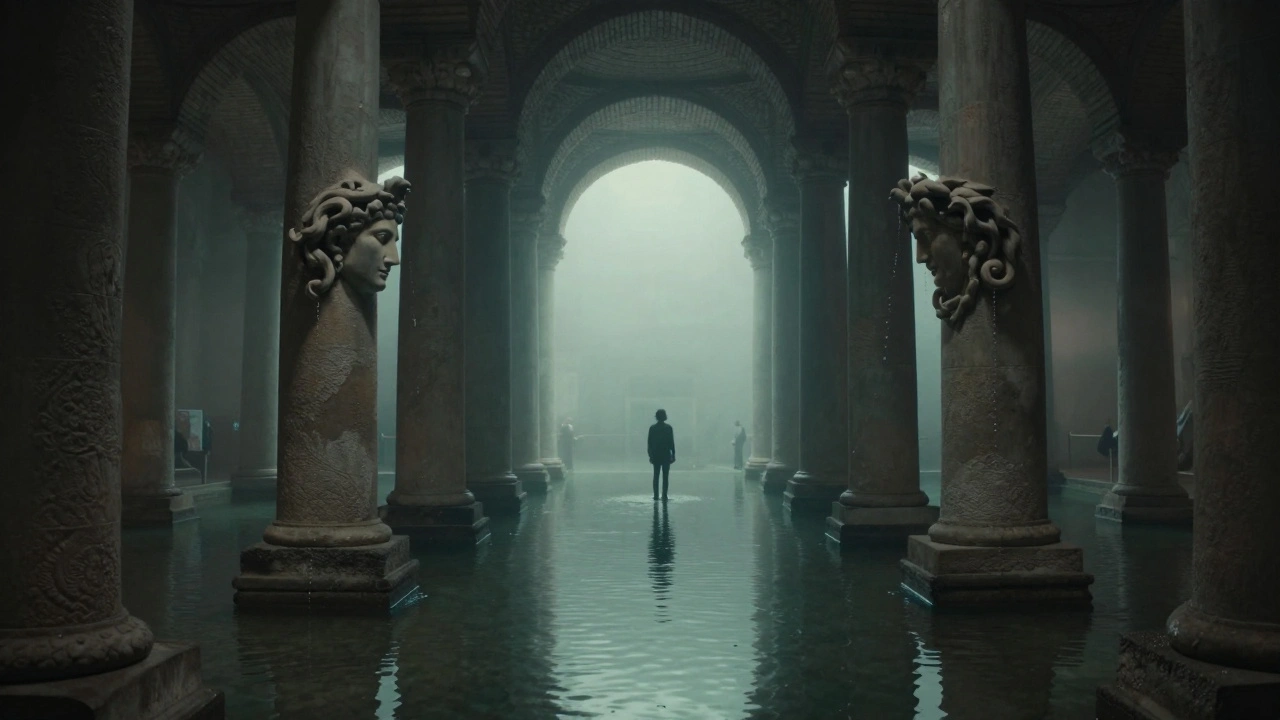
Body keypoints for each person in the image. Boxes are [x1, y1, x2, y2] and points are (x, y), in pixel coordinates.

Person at [648, 409, 676, 500]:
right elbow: (671, 443)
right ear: (665, 416)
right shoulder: (668, 428)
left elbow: (650, 443)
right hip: (665, 454)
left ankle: (656, 495)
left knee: (656, 476)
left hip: (656, 455)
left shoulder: (652, 428)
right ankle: (664, 495)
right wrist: (673, 455)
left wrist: (650, 455)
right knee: (665, 476)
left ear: (656, 417)